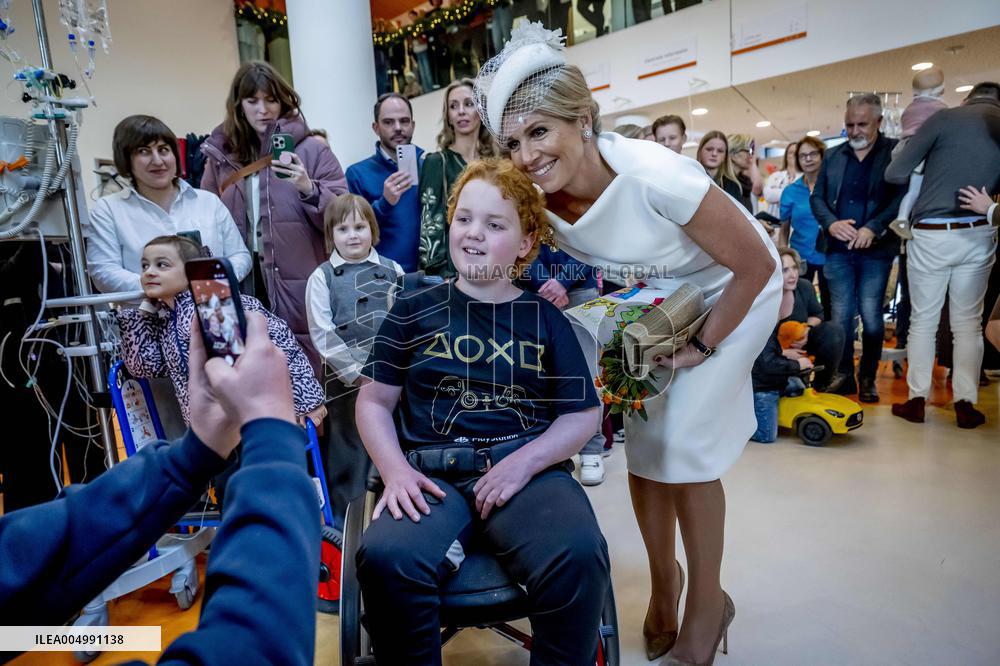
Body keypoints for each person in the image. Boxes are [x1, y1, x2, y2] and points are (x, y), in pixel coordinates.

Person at [475, 23, 781, 664]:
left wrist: (702, 349)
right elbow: (505, 253)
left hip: (735, 290)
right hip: (658, 298)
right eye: (513, 141)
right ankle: (664, 583)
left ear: (583, 120)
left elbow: (755, 265)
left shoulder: (655, 175)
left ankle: (707, 608)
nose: (526, 155)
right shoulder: (533, 193)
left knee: (686, 443)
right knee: (645, 442)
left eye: (539, 132)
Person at [355, 159, 610, 664]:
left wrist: (525, 463)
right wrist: (394, 470)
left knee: (580, 555)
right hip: (431, 476)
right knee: (386, 558)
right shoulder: (412, 308)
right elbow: (373, 401)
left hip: (526, 474)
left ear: (524, 241)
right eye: (465, 218)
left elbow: (581, 415)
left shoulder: (543, 316)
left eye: (495, 225)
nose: (474, 234)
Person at [0, 310, 321, 665]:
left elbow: (23, 553)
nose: (150, 273)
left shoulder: (220, 314)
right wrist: (272, 431)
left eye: (162, 263)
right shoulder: (153, 320)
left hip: (208, 444)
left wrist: (194, 456)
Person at [200, 61, 348, 368]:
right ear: (239, 105)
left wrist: (309, 187)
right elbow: (206, 215)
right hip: (242, 277)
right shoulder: (221, 157)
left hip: (298, 278)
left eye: (270, 100)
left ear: (283, 101)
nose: (262, 109)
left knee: (304, 369)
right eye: (252, 100)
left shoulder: (312, 151)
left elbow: (342, 216)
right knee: (246, 367)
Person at [116, 235, 325, 428]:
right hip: (210, 432)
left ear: (191, 271)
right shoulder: (166, 321)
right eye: (144, 265)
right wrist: (142, 316)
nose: (149, 272)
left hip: (255, 422)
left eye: (162, 265)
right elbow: (146, 367)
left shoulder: (216, 305)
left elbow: (280, 346)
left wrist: (307, 400)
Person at [885, 82, 1000, 428]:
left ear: (966, 98)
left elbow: (895, 172)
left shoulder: (944, 118)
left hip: (932, 233)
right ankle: (965, 403)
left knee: (923, 320)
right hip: (979, 230)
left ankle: (917, 399)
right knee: (968, 324)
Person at [306, 194, 404, 529]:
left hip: (391, 378)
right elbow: (322, 332)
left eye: (360, 226)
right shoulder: (322, 277)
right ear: (331, 234)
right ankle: (345, 526)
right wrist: (356, 373)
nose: (352, 235)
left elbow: (405, 323)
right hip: (344, 383)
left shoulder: (393, 270)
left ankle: (391, 516)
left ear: (372, 229)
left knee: (393, 443)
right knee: (348, 450)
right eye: (343, 228)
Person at [85, 115, 251, 295]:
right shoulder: (109, 209)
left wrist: (213, 280)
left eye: (163, 150)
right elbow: (104, 272)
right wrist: (165, 287)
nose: (157, 161)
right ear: (126, 160)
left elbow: (240, 256)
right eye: (144, 151)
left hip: (213, 313)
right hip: (147, 316)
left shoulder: (208, 202)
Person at [810, 93, 903, 403]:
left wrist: (872, 228)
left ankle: (868, 375)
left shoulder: (893, 152)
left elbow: (900, 199)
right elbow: (817, 199)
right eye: (849, 125)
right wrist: (831, 223)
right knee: (841, 318)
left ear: (877, 121)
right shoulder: (834, 157)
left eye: (862, 124)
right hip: (837, 250)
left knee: (872, 319)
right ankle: (846, 377)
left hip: (876, 251)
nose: (854, 131)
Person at [517, 244, 607, 484]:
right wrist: (544, 283)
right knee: (533, 374)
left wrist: (562, 283)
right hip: (531, 288)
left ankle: (591, 450)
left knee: (588, 371)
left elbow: (594, 242)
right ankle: (542, 450)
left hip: (580, 288)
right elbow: (520, 232)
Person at [418, 77, 497, 278]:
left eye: (468, 104)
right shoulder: (437, 162)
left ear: (480, 111)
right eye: (454, 106)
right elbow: (430, 225)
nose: (461, 111)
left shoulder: (496, 164)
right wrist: (439, 275)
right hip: (455, 271)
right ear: (449, 117)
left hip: (496, 264)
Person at [345, 92, 424, 272]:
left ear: (413, 125)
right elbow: (353, 234)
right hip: (380, 281)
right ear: (376, 127)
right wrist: (385, 203)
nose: (398, 128)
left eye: (404, 121)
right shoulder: (357, 174)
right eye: (388, 122)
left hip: (427, 278)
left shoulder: (428, 168)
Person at [888, 66, 949, 239]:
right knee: (918, 188)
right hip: (922, 149)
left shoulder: (909, 109)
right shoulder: (940, 108)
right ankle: (902, 219)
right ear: (941, 89)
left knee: (913, 189)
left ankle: (902, 218)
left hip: (906, 149)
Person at [778, 247, 845, 392]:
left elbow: (818, 314)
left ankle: (823, 384)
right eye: (785, 270)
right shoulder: (765, 295)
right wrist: (782, 353)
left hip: (801, 343)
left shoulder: (804, 286)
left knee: (834, 330)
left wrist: (807, 329)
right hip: (774, 352)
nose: (792, 275)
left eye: (794, 268)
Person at [779, 135, 829, 318]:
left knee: (830, 305)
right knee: (799, 305)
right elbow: (784, 227)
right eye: (802, 155)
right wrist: (783, 254)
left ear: (822, 155)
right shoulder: (791, 191)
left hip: (830, 255)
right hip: (801, 256)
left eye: (813, 154)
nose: (808, 159)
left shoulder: (832, 186)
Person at [697, 130, 748, 210]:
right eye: (709, 149)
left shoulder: (733, 185)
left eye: (720, 151)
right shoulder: (691, 179)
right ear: (700, 151)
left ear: (725, 156)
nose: (714, 154)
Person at [728, 134, 762, 214]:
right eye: (748, 151)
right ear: (733, 155)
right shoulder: (727, 185)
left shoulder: (744, 182)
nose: (751, 156)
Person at [763, 141, 798, 218]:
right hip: (773, 220)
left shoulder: (806, 177)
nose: (794, 155)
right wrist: (789, 194)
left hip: (796, 222)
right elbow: (768, 195)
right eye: (791, 152)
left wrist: (778, 195)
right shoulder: (775, 175)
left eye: (797, 152)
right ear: (786, 156)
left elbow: (801, 198)